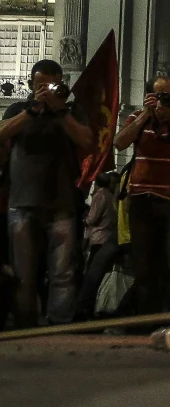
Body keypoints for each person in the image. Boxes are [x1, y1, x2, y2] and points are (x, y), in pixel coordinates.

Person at [0, 59, 93, 326]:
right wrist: (31, 111)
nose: (47, 91)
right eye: (41, 86)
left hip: (61, 203)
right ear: (30, 85)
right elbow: (2, 133)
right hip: (22, 203)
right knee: (23, 274)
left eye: (52, 85)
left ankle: (59, 326)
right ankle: (25, 326)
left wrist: (60, 111)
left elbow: (87, 141)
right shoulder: (19, 109)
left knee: (62, 274)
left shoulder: (72, 111)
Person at [113, 76, 170, 313]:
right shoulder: (138, 119)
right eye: (162, 95)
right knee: (144, 270)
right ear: (150, 96)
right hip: (142, 202)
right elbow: (119, 143)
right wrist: (145, 114)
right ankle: (147, 325)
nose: (167, 100)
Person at [76, 171, 121, 320]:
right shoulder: (110, 197)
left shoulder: (101, 195)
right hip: (106, 237)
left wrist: (84, 219)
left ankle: (85, 308)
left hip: (99, 238)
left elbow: (92, 218)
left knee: (91, 274)